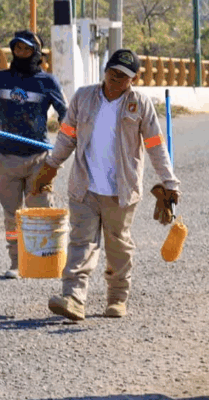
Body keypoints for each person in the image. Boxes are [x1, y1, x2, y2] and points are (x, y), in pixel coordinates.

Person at [33, 48, 180, 321]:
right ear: (105, 70)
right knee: (81, 243)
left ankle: (117, 298)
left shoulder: (140, 104)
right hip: (84, 186)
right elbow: (67, 135)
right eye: (112, 73)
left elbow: (155, 146)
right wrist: (51, 166)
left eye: (123, 76)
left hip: (121, 191)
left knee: (118, 246)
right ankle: (74, 298)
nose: (115, 80)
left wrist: (169, 182)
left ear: (133, 78)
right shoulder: (84, 97)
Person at [0, 30, 67, 279]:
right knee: (12, 216)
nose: (21, 53)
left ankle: (44, 261)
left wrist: (71, 141)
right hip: (6, 158)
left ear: (37, 53)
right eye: (17, 49)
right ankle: (16, 262)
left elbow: (66, 117)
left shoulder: (47, 83)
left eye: (27, 49)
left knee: (39, 211)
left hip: (39, 158)